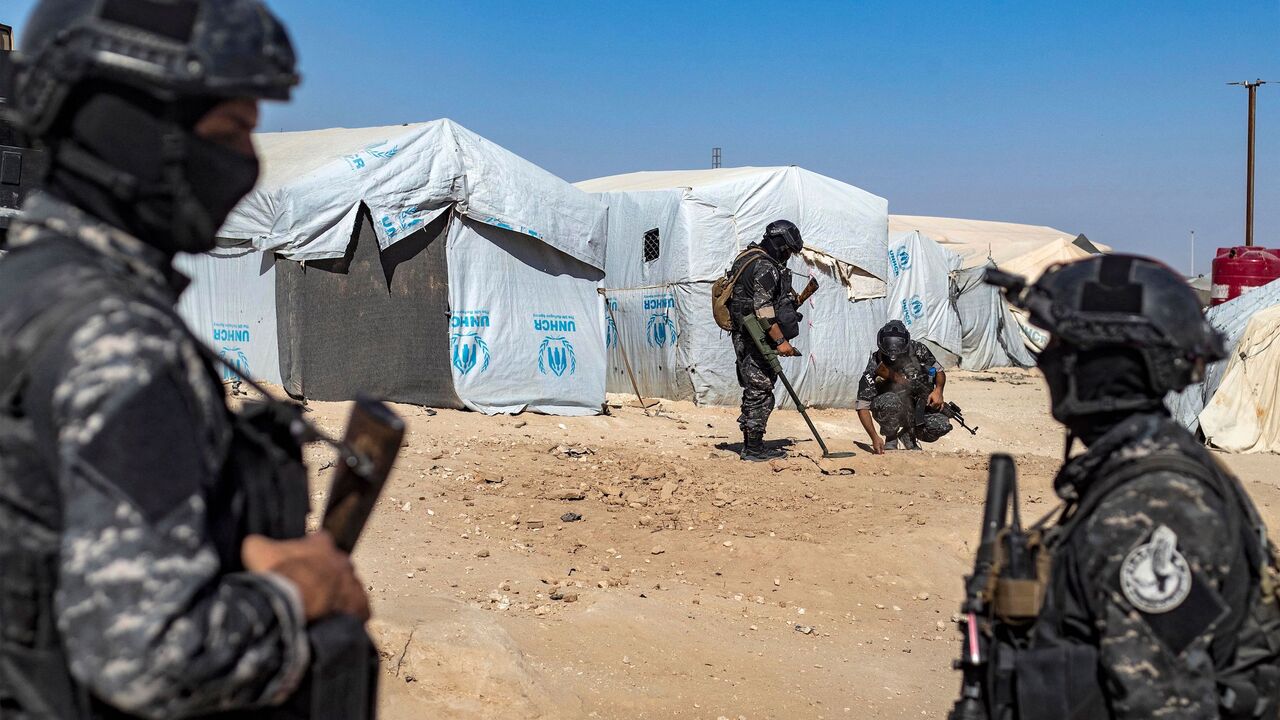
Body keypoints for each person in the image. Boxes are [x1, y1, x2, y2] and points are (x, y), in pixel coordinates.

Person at [0, 1, 374, 718]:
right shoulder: (117, 340)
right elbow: (153, 656)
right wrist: (302, 592)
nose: (246, 163)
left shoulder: (27, 293)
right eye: (231, 129)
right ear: (131, 127)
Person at [961, 254, 1280, 719]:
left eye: (1061, 344)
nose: (1046, 359)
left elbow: (1166, 706)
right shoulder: (1138, 470)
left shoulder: (1152, 503)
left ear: (1098, 366)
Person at [727, 219, 808, 461]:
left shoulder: (747, 258)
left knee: (755, 388)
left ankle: (752, 443)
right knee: (760, 390)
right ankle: (753, 448)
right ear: (778, 244)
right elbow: (762, 309)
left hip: (746, 334)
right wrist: (781, 341)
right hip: (756, 337)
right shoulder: (766, 267)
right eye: (786, 251)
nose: (787, 256)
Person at [856, 320, 951, 453]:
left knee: (941, 424)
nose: (894, 357)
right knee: (889, 400)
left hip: (915, 402)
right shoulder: (876, 362)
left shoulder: (918, 349)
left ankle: (908, 435)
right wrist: (874, 437)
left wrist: (938, 391)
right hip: (891, 404)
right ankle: (891, 437)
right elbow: (862, 405)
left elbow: (939, 371)